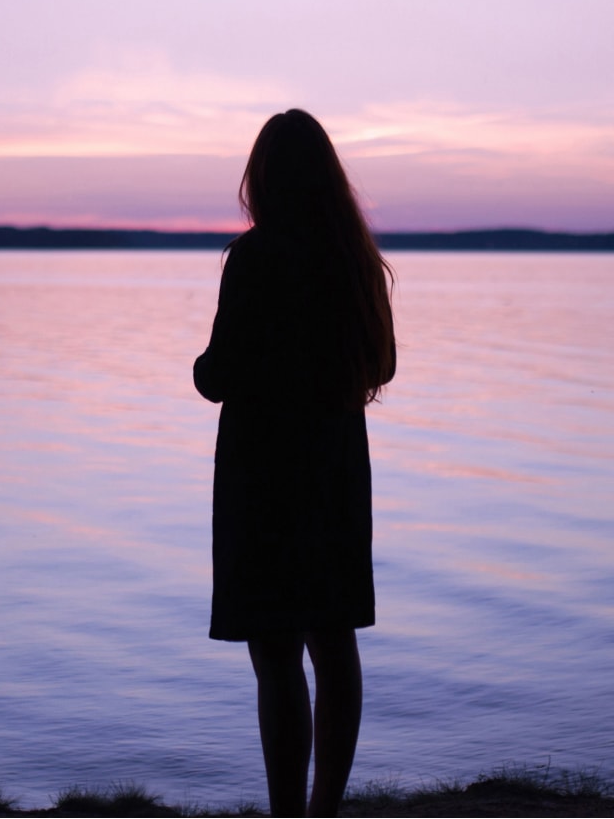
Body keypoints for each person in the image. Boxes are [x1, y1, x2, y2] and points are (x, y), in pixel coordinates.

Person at [193, 109, 396, 818]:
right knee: (333, 640)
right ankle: (323, 811)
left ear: (265, 178)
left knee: (277, 648)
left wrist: (202, 367)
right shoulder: (354, 262)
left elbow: (220, 374)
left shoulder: (256, 259)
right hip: (336, 467)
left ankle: (288, 816)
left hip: (265, 471)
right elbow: (383, 365)